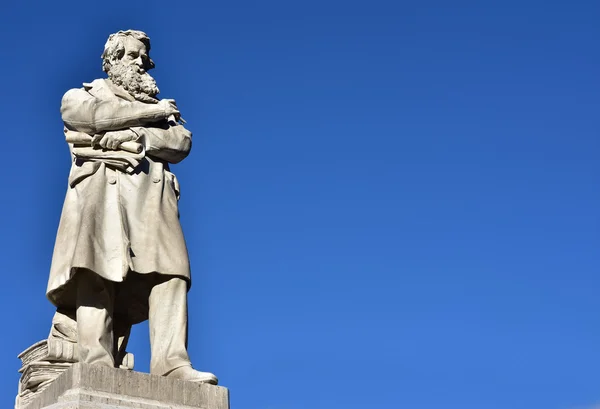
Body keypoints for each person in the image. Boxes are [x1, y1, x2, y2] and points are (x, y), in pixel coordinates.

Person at [45, 30, 217, 384]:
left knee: (172, 273)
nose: (141, 63)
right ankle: (96, 361)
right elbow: (93, 117)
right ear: (113, 61)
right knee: (96, 271)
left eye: (144, 58)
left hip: (152, 198)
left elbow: (180, 141)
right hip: (101, 196)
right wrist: (153, 112)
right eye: (133, 56)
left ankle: (173, 364)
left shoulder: (163, 113)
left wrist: (137, 136)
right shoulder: (82, 95)